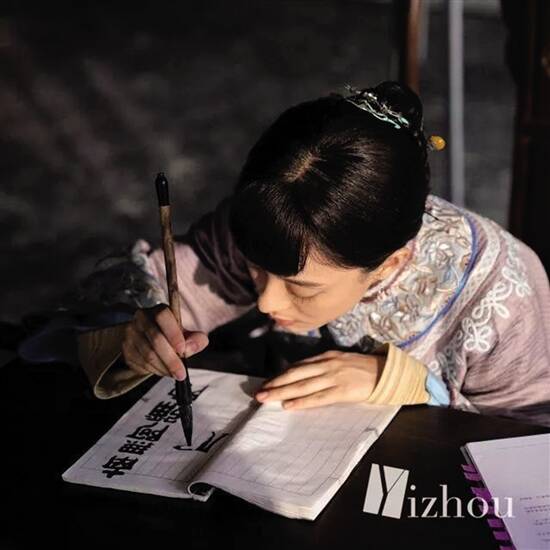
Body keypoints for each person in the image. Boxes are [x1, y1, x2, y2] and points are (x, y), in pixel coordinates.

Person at [75, 81, 550, 427]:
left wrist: (411, 387)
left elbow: (528, 444)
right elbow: (146, 287)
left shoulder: (502, 300)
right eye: (255, 271)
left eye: (302, 288)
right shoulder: (270, 225)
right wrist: (138, 333)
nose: (267, 301)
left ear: (390, 264)